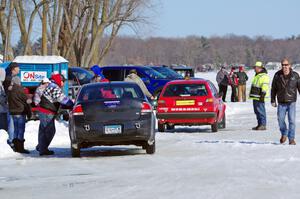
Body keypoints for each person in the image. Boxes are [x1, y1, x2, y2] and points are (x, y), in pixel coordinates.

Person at [37, 74, 74, 156]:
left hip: (44, 110)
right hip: (47, 112)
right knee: (49, 131)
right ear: (59, 80)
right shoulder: (54, 87)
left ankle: (41, 146)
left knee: (43, 130)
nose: (63, 83)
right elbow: (62, 99)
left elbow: (58, 100)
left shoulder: (51, 85)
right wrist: (72, 104)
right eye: (63, 81)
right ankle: (42, 149)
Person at [271, 58, 300, 145]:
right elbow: (273, 89)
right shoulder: (277, 75)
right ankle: (284, 133)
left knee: (292, 121)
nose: (285, 67)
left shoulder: (295, 75)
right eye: (283, 65)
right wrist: (273, 100)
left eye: (286, 65)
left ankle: (291, 139)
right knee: (280, 120)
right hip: (281, 102)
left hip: (292, 102)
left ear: (290, 65)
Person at [7, 75, 32, 154]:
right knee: (21, 130)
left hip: (13, 112)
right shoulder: (20, 90)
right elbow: (26, 101)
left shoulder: (10, 90)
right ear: (18, 82)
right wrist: (29, 111)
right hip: (20, 112)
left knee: (15, 130)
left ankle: (15, 146)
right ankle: (20, 148)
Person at [249, 61, 270, 130]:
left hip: (260, 96)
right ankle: (259, 124)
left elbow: (265, 85)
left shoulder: (264, 76)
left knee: (261, 111)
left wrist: (263, 94)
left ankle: (263, 125)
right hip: (255, 96)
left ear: (259, 68)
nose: (254, 69)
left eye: (255, 67)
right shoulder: (257, 75)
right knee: (257, 111)